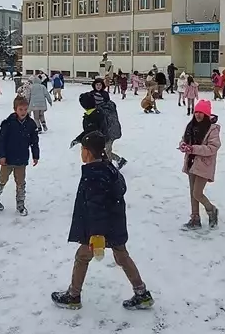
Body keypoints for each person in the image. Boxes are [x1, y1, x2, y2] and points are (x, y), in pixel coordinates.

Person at [50, 131, 154, 311]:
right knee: (122, 256)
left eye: (82, 150)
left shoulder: (94, 174)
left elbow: (96, 206)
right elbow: (119, 190)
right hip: (115, 223)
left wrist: (96, 234)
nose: (81, 154)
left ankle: (73, 296)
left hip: (98, 227)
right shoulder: (108, 167)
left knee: (82, 257)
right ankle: (141, 293)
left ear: (88, 152)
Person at [0, 96, 40, 215]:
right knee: (3, 178)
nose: (23, 112)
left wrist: (35, 155)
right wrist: (1, 156)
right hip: (8, 158)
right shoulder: (8, 123)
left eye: (25, 109)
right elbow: (0, 141)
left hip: (22, 159)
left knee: (20, 182)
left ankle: (20, 204)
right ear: (15, 109)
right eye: (20, 109)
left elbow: (34, 141)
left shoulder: (31, 124)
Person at [179, 100, 221, 229]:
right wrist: (183, 145)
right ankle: (195, 218)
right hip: (191, 162)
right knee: (192, 192)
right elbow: (184, 140)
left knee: (197, 193)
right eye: (196, 112)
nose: (198, 115)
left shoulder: (212, 129)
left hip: (204, 164)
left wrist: (194, 149)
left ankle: (211, 209)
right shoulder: (191, 126)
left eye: (201, 112)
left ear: (206, 114)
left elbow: (213, 147)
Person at [72, 91, 127, 168]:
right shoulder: (97, 112)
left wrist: (78, 139)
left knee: (105, 154)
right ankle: (119, 160)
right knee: (104, 152)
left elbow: (89, 131)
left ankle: (109, 169)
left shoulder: (93, 115)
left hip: (102, 138)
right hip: (103, 137)